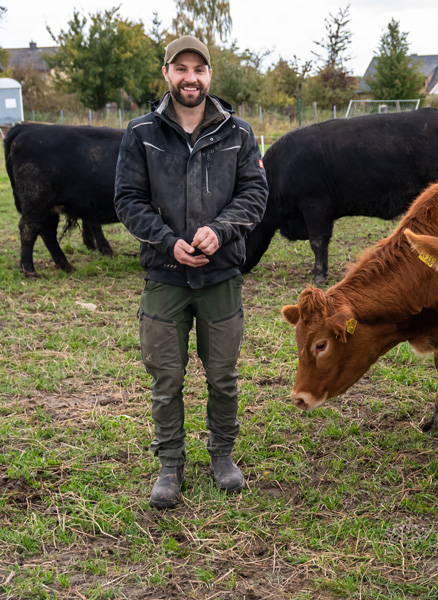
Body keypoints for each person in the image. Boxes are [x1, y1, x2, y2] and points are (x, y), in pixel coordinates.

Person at [115, 35, 268, 509]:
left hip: (221, 276)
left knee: (222, 376)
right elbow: (127, 200)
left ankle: (222, 455)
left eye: (198, 69)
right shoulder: (141, 133)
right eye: (180, 68)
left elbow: (255, 194)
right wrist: (166, 240)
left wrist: (221, 230)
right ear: (167, 74)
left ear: (209, 76)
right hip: (164, 276)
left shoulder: (238, 133)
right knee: (166, 377)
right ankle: (170, 463)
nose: (190, 78)